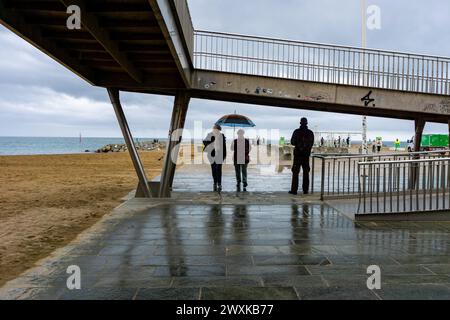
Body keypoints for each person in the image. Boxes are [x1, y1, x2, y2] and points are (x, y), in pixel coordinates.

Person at [289, 118, 315, 195]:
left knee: (295, 172)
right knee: (306, 173)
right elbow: (311, 144)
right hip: (306, 156)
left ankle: (294, 190)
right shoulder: (310, 133)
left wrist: (299, 145)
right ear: (307, 123)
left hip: (297, 155)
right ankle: (305, 190)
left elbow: (292, 142)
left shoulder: (296, 132)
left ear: (300, 123)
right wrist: (305, 148)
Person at [203, 124, 227, 192]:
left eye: (217, 130)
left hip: (220, 155)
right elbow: (204, 142)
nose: (215, 130)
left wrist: (224, 155)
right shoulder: (210, 134)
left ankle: (219, 183)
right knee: (213, 169)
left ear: (219, 130)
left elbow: (224, 146)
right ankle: (215, 182)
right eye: (214, 129)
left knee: (218, 169)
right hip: (211, 154)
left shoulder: (221, 135)